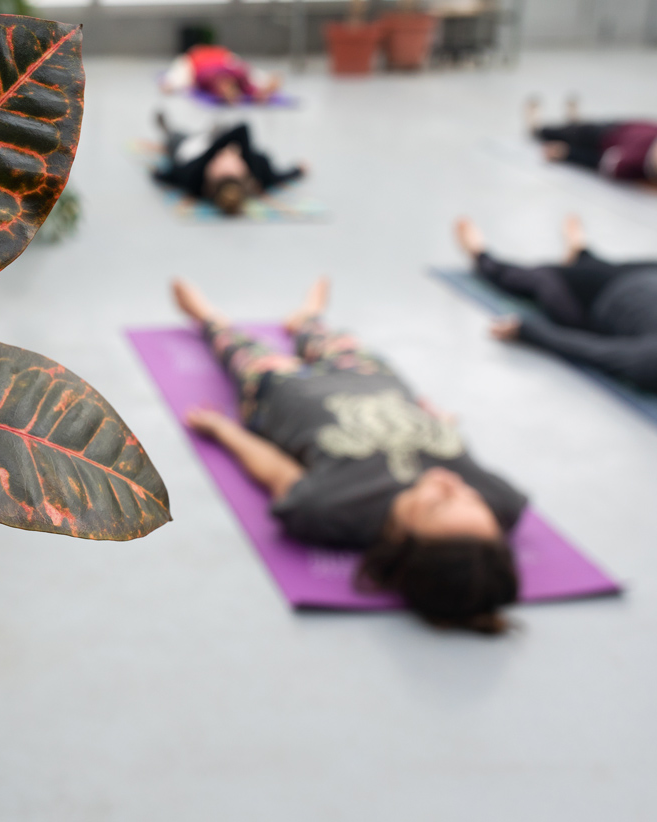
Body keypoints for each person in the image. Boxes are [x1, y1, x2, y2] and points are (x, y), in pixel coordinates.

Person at [174, 277, 526, 633]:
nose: (450, 481)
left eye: (438, 502)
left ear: (402, 539)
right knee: (339, 345)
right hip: (376, 384)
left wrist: (225, 431)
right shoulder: (503, 503)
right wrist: (438, 422)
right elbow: (459, 456)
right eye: (470, 497)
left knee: (246, 354)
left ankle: (207, 315)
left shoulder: (332, 509)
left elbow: (278, 472)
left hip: (284, 394)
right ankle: (306, 320)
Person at [456, 216, 657, 392]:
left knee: (544, 279)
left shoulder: (650, 363)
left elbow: (597, 351)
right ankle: (579, 252)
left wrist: (528, 332)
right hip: (634, 276)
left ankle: (481, 256)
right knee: (593, 270)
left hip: (600, 297)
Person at [153, 113, 306, 216]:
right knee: (217, 132)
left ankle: (167, 129)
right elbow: (281, 177)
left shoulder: (193, 176)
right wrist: (298, 169)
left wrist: (214, 150)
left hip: (194, 147)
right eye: (232, 169)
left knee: (175, 139)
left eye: (221, 168)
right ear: (244, 174)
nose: (224, 162)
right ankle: (215, 129)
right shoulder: (258, 173)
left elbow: (164, 175)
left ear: (210, 178)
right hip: (215, 142)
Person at [527, 97, 657, 184]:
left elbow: (599, 162)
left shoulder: (633, 161)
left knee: (574, 134)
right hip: (619, 127)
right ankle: (574, 123)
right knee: (581, 128)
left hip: (602, 139)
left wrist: (568, 154)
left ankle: (538, 129)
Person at [160, 44, 283, 105]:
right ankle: (170, 82)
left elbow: (246, 79)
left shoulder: (234, 71)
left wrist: (257, 93)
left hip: (220, 58)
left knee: (242, 66)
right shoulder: (198, 70)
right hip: (196, 60)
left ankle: (266, 80)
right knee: (182, 74)